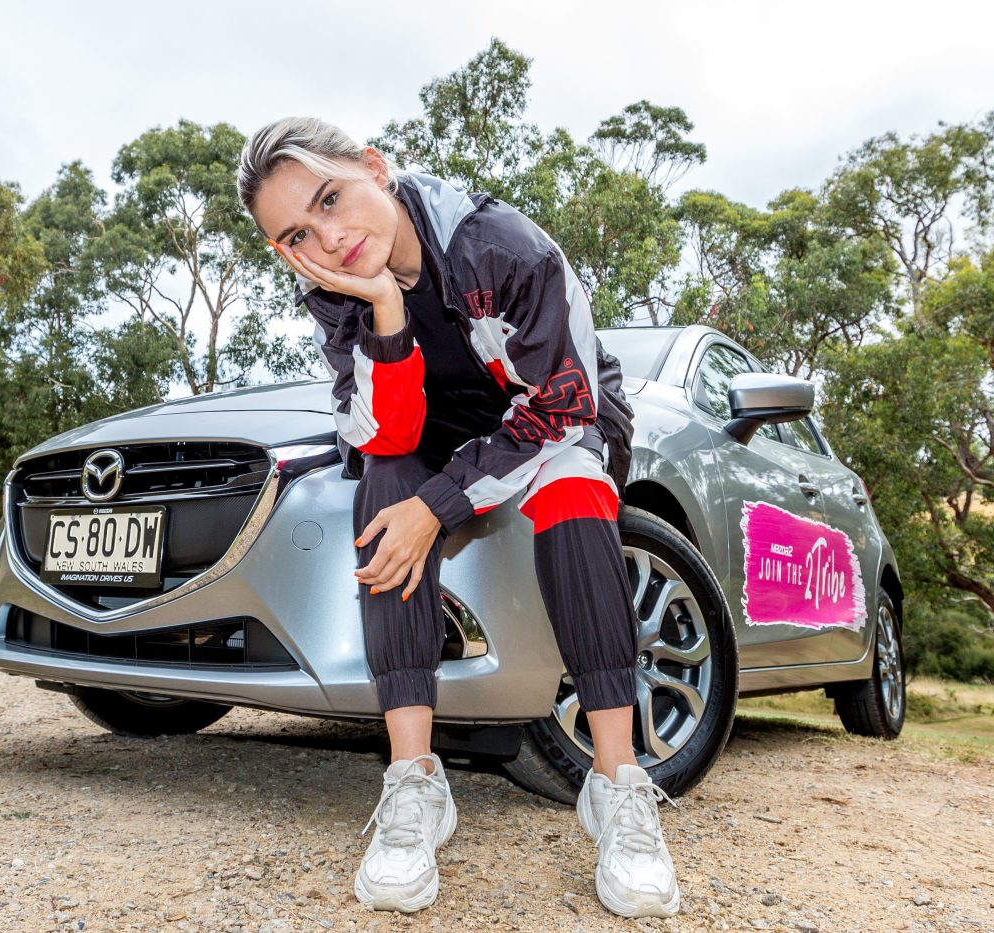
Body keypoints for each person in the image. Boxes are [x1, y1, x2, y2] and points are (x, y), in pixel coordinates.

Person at [236, 116, 681, 919]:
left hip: (557, 419)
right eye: (297, 234)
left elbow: (562, 406)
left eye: (331, 199)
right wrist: (383, 308)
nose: (328, 238)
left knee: (573, 488)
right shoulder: (335, 293)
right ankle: (414, 783)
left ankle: (617, 782)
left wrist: (439, 506)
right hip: (442, 433)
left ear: (376, 167)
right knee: (384, 482)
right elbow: (380, 432)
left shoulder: (503, 248)